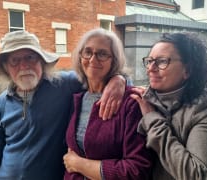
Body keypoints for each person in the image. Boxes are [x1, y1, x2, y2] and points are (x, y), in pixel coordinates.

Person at [0, 30, 127, 180]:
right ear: (6, 67)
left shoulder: (64, 85)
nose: (24, 65)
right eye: (14, 60)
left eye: (30, 57)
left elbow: (97, 73)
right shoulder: (2, 103)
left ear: (42, 61)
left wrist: (119, 79)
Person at [131, 32, 207, 180]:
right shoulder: (144, 98)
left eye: (162, 61)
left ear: (187, 70)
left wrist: (152, 119)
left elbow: (195, 174)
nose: (151, 68)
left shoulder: (206, 108)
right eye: (149, 61)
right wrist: (117, 80)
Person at [63, 28, 154, 180]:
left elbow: (136, 170)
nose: (93, 59)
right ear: (80, 57)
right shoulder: (77, 99)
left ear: (114, 60)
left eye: (102, 54)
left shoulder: (131, 102)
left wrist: (79, 164)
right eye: (88, 52)